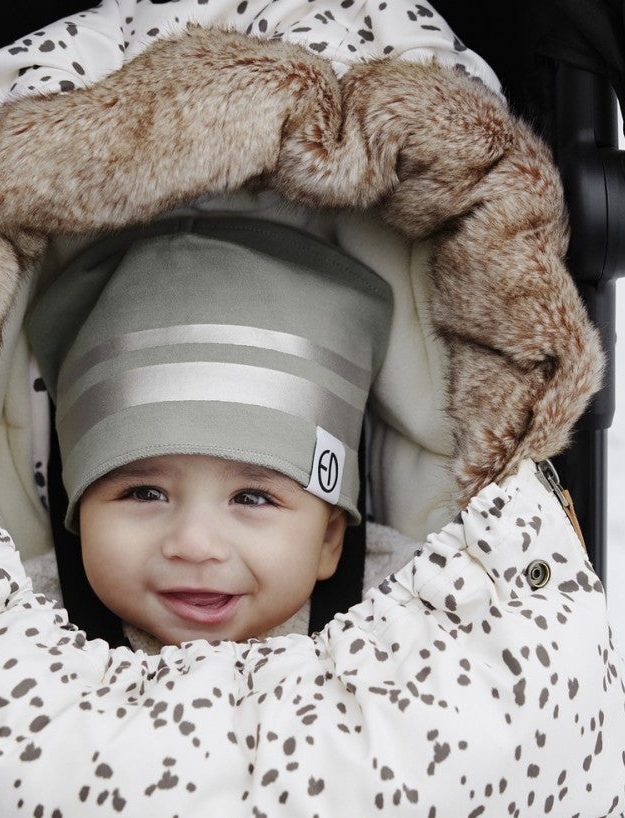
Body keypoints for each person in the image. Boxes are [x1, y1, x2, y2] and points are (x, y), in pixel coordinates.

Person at [21, 215, 417, 650]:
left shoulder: (405, 607)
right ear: (78, 516)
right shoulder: (24, 622)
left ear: (327, 539)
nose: (194, 545)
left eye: (252, 497)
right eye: (145, 493)